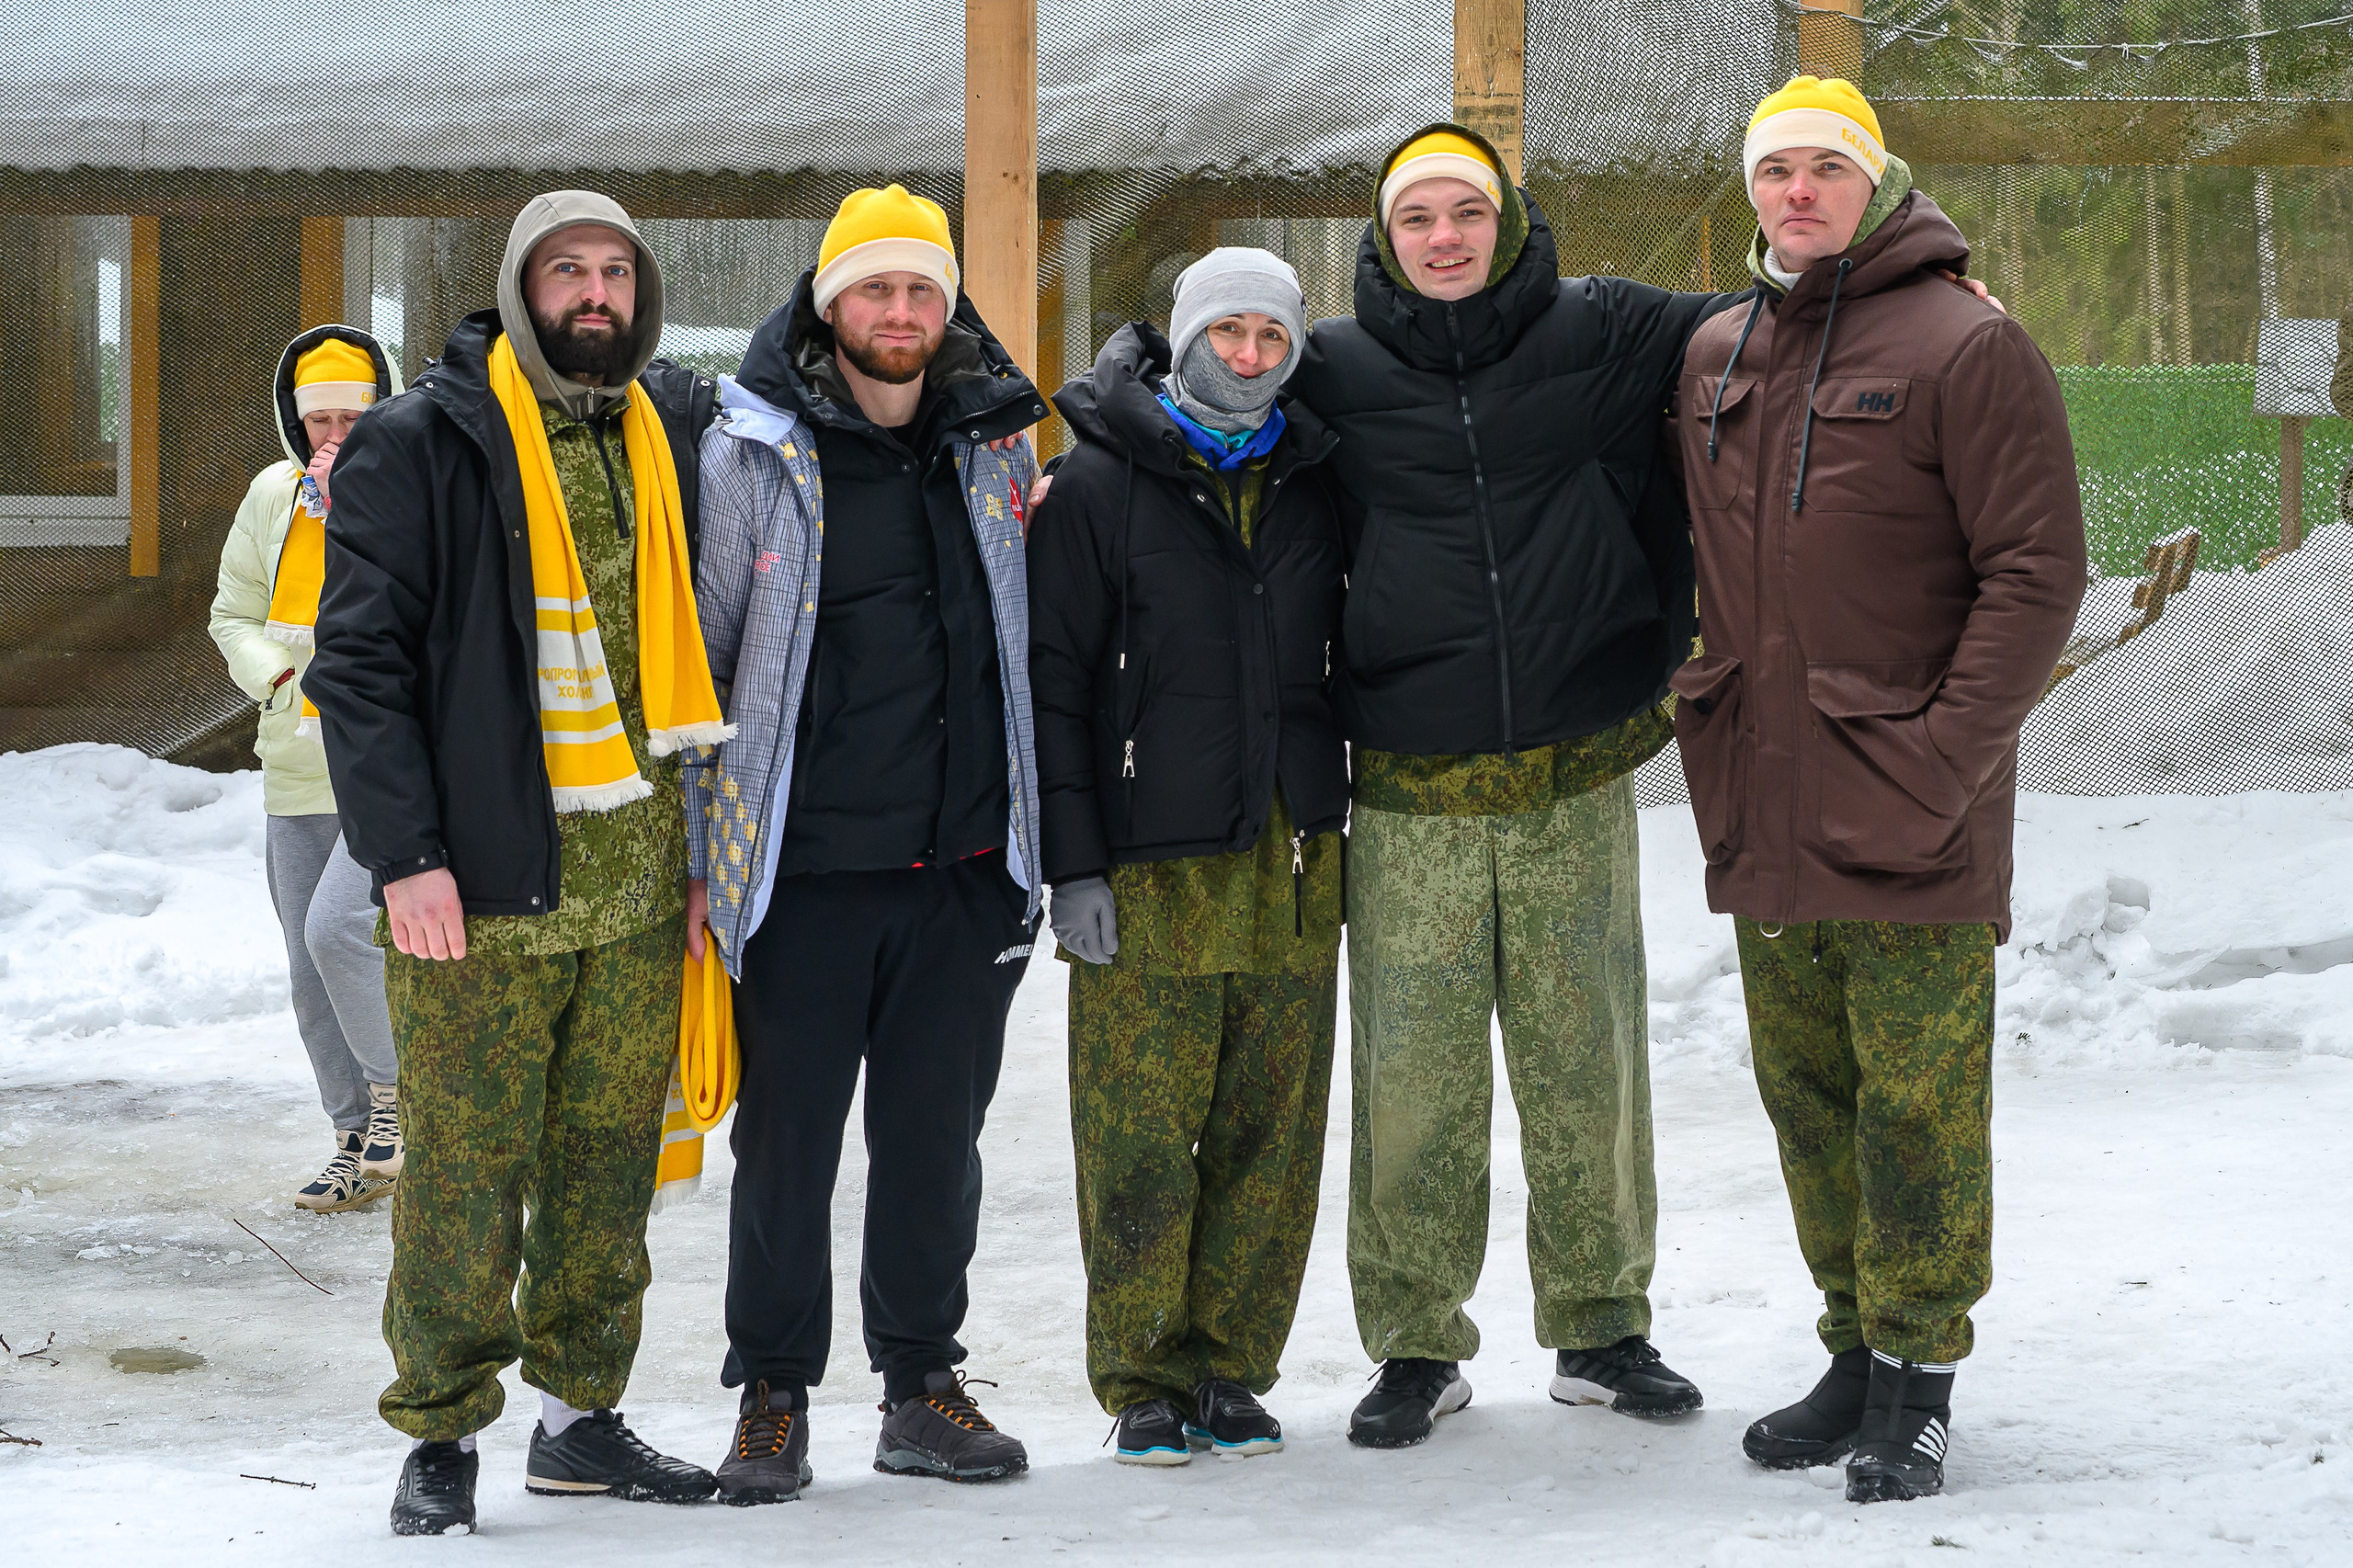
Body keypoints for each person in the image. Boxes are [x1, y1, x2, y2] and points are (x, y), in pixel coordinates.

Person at [1667, 77, 2086, 1503]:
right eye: (1774, 171)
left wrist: (1942, 760)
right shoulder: (1718, 349)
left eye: (1824, 171)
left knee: (1917, 1105)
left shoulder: (1970, 344)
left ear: (1875, 179)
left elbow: (2036, 576)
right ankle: (1849, 1347)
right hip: (1767, 800)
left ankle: (1918, 1377)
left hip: (1907, 801)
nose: (1798, 193)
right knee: (1808, 1094)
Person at [1289, 124, 1727, 1449]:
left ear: (1509, 219)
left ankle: (1602, 1324)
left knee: (1586, 1056)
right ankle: (1417, 1341)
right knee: (1413, 1077)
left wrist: (1929, 299)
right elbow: (1213, 388)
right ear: (1383, 235)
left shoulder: (1601, 326)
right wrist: (1133, 369)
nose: (1444, 236)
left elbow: (1763, 320)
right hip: (1411, 784)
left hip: (1570, 770)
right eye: (1417, 215)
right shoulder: (1335, 366)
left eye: (1465, 210)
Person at [306, 190, 728, 1535]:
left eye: (615, 271)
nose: (593, 293)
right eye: (567, 273)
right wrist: (404, 855)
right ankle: (440, 1427)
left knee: (610, 1163)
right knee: (465, 1172)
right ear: (521, 285)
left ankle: (579, 1418)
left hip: (635, 883)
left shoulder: (664, 430)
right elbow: (358, 668)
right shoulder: (422, 441)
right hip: (481, 892)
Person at [686, 185, 1047, 1503]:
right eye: (874, 289)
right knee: (788, 1144)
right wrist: (703, 865)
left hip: (960, 868)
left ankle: (919, 1386)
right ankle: (772, 1396)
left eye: (922, 291)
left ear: (947, 306)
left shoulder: (997, 446)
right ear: (829, 300)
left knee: (936, 1138)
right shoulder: (752, 454)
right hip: (806, 874)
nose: (898, 314)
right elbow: (706, 669)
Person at [1029, 248, 1349, 1466]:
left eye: (1273, 337)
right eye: (1229, 332)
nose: (1251, 357)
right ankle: (1146, 1375)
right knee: (1140, 1133)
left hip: (1290, 860)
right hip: (1149, 864)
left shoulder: (1317, 479)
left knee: (1274, 1127)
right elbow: (1054, 687)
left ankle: (1231, 1364)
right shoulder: (1097, 486)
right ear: (1183, 337)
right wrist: (1075, 865)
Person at [209, 326, 404, 1212]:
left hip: (384, 764)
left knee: (342, 936)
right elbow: (232, 614)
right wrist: (282, 677)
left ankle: (404, 1105)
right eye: (316, 417)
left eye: (351, 418)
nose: (331, 434)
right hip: (294, 760)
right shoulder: (271, 496)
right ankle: (354, 1139)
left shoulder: (410, 494)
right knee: (305, 961)